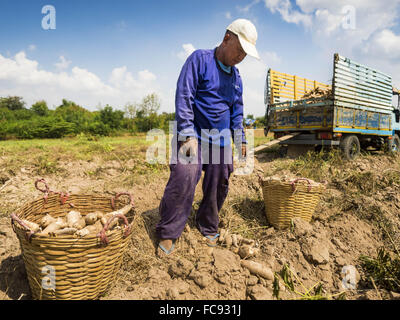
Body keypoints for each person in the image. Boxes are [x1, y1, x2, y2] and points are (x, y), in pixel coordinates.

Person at [156, 18, 260, 256]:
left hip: (219, 140)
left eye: (246, 54)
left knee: (221, 176)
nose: (241, 57)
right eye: (240, 50)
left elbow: (237, 112)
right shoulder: (199, 60)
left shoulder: (236, 78)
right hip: (193, 135)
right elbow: (184, 96)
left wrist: (241, 139)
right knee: (186, 173)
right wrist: (187, 134)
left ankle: (207, 223)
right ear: (226, 38)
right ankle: (169, 230)